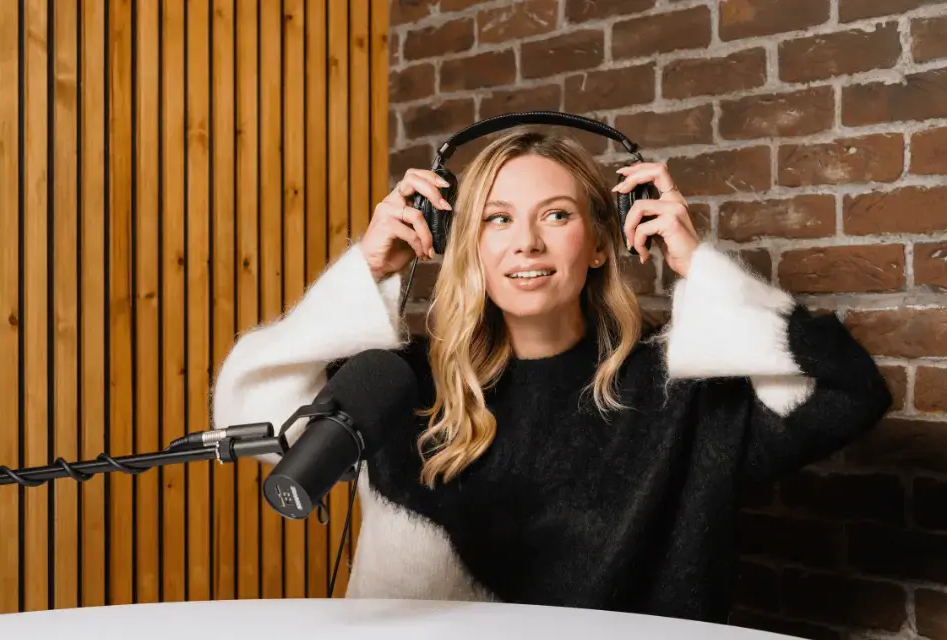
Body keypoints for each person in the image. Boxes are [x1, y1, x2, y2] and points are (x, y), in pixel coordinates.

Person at [211, 126, 892, 624]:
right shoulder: (397, 387)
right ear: (460, 245)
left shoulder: (679, 388)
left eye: (556, 216)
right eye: (495, 220)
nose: (525, 243)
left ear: (603, 241)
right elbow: (255, 409)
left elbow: (846, 394)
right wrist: (367, 270)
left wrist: (695, 263)